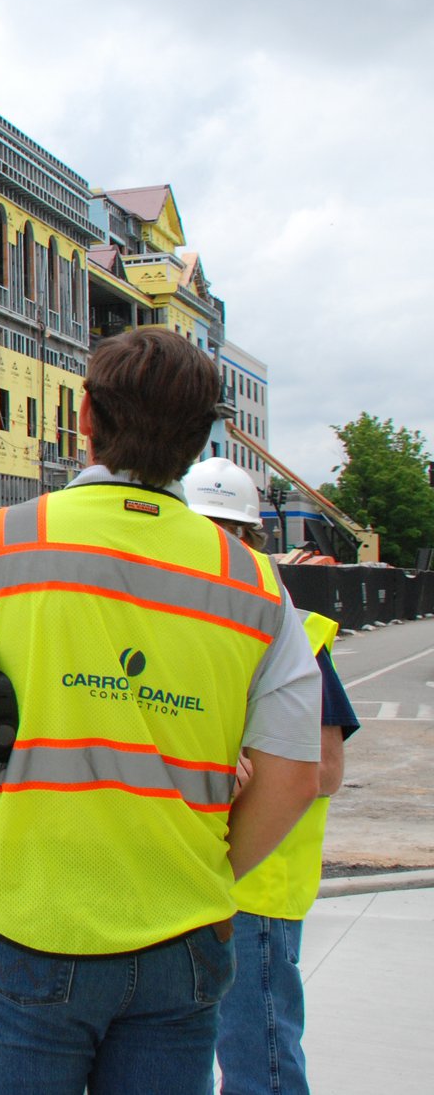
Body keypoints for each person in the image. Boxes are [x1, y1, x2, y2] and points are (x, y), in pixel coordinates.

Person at [0, 328, 322, 1095]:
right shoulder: (256, 587)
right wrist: (208, 876)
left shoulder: (1, 544)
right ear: (200, 440)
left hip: (31, 924)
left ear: (85, 415)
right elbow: (294, 779)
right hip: (182, 936)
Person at [185, 457, 361, 1094]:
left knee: (259, 1059)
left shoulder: (294, 633)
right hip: (193, 882)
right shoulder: (192, 629)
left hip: (257, 892)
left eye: (228, 534)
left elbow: (325, 769)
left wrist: (243, 767)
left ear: (252, 541)